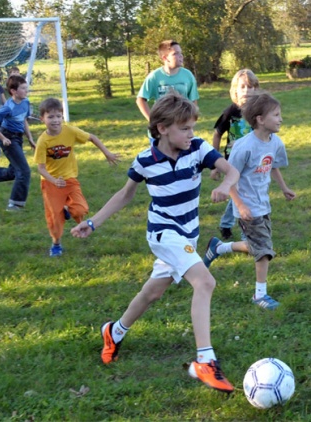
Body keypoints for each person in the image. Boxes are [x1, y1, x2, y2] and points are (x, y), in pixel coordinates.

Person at [71, 92, 239, 393]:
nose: (191, 134)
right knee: (205, 282)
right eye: (184, 128)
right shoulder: (145, 161)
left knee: (152, 292)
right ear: (162, 128)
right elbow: (125, 195)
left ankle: (115, 331)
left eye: (192, 128)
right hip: (163, 233)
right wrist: (93, 222)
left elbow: (232, 170)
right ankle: (205, 360)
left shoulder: (198, 149)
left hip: (188, 234)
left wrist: (226, 185)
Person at [203, 90, 296, 310]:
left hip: (263, 203)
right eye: (275, 115)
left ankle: (218, 248)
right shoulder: (244, 147)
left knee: (257, 245)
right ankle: (260, 295)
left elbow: (273, 166)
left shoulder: (275, 142)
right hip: (246, 205)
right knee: (264, 250)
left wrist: (284, 188)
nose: (280, 119)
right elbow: (231, 179)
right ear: (260, 120)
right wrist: (240, 205)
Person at [34, 97, 121, 257]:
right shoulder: (42, 141)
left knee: (81, 209)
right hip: (51, 183)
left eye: (58, 116)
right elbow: (40, 168)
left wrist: (107, 153)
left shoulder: (70, 131)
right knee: (54, 218)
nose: (55, 120)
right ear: (42, 119)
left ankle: (67, 209)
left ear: (62, 116)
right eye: (50, 117)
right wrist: (54, 181)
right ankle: (56, 244)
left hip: (70, 180)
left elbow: (92, 137)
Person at [211, 69, 260, 240]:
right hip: (232, 160)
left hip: (252, 159)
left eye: (251, 87)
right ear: (235, 91)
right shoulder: (230, 112)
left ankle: (225, 223)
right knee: (241, 193)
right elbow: (217, 134)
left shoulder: (258, 112)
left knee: (240, 193)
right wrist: (215, 164)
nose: (247, 90)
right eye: (243, 87)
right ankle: (246, 235)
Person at [0, 75, 36, 212]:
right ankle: (15, 204)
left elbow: (24, 120)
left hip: (18, 138)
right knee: (24, 171)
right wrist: (2, 138)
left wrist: (30, 138)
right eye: (23, 88)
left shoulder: (25, 102)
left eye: (26, 88)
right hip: (8, 139)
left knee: (14, 171)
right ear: (13, 91)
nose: (26, 91)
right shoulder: (8, 107)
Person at [136, 40, 199, 121]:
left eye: (181, 53)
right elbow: (140, 99)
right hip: (163, 125)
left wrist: (191, 120)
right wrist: (152, 120)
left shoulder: (188, 75)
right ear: (165, 58)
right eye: (175, 53)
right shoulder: (155, 76)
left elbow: (193, 100)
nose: (181, 56)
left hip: (181, 124)